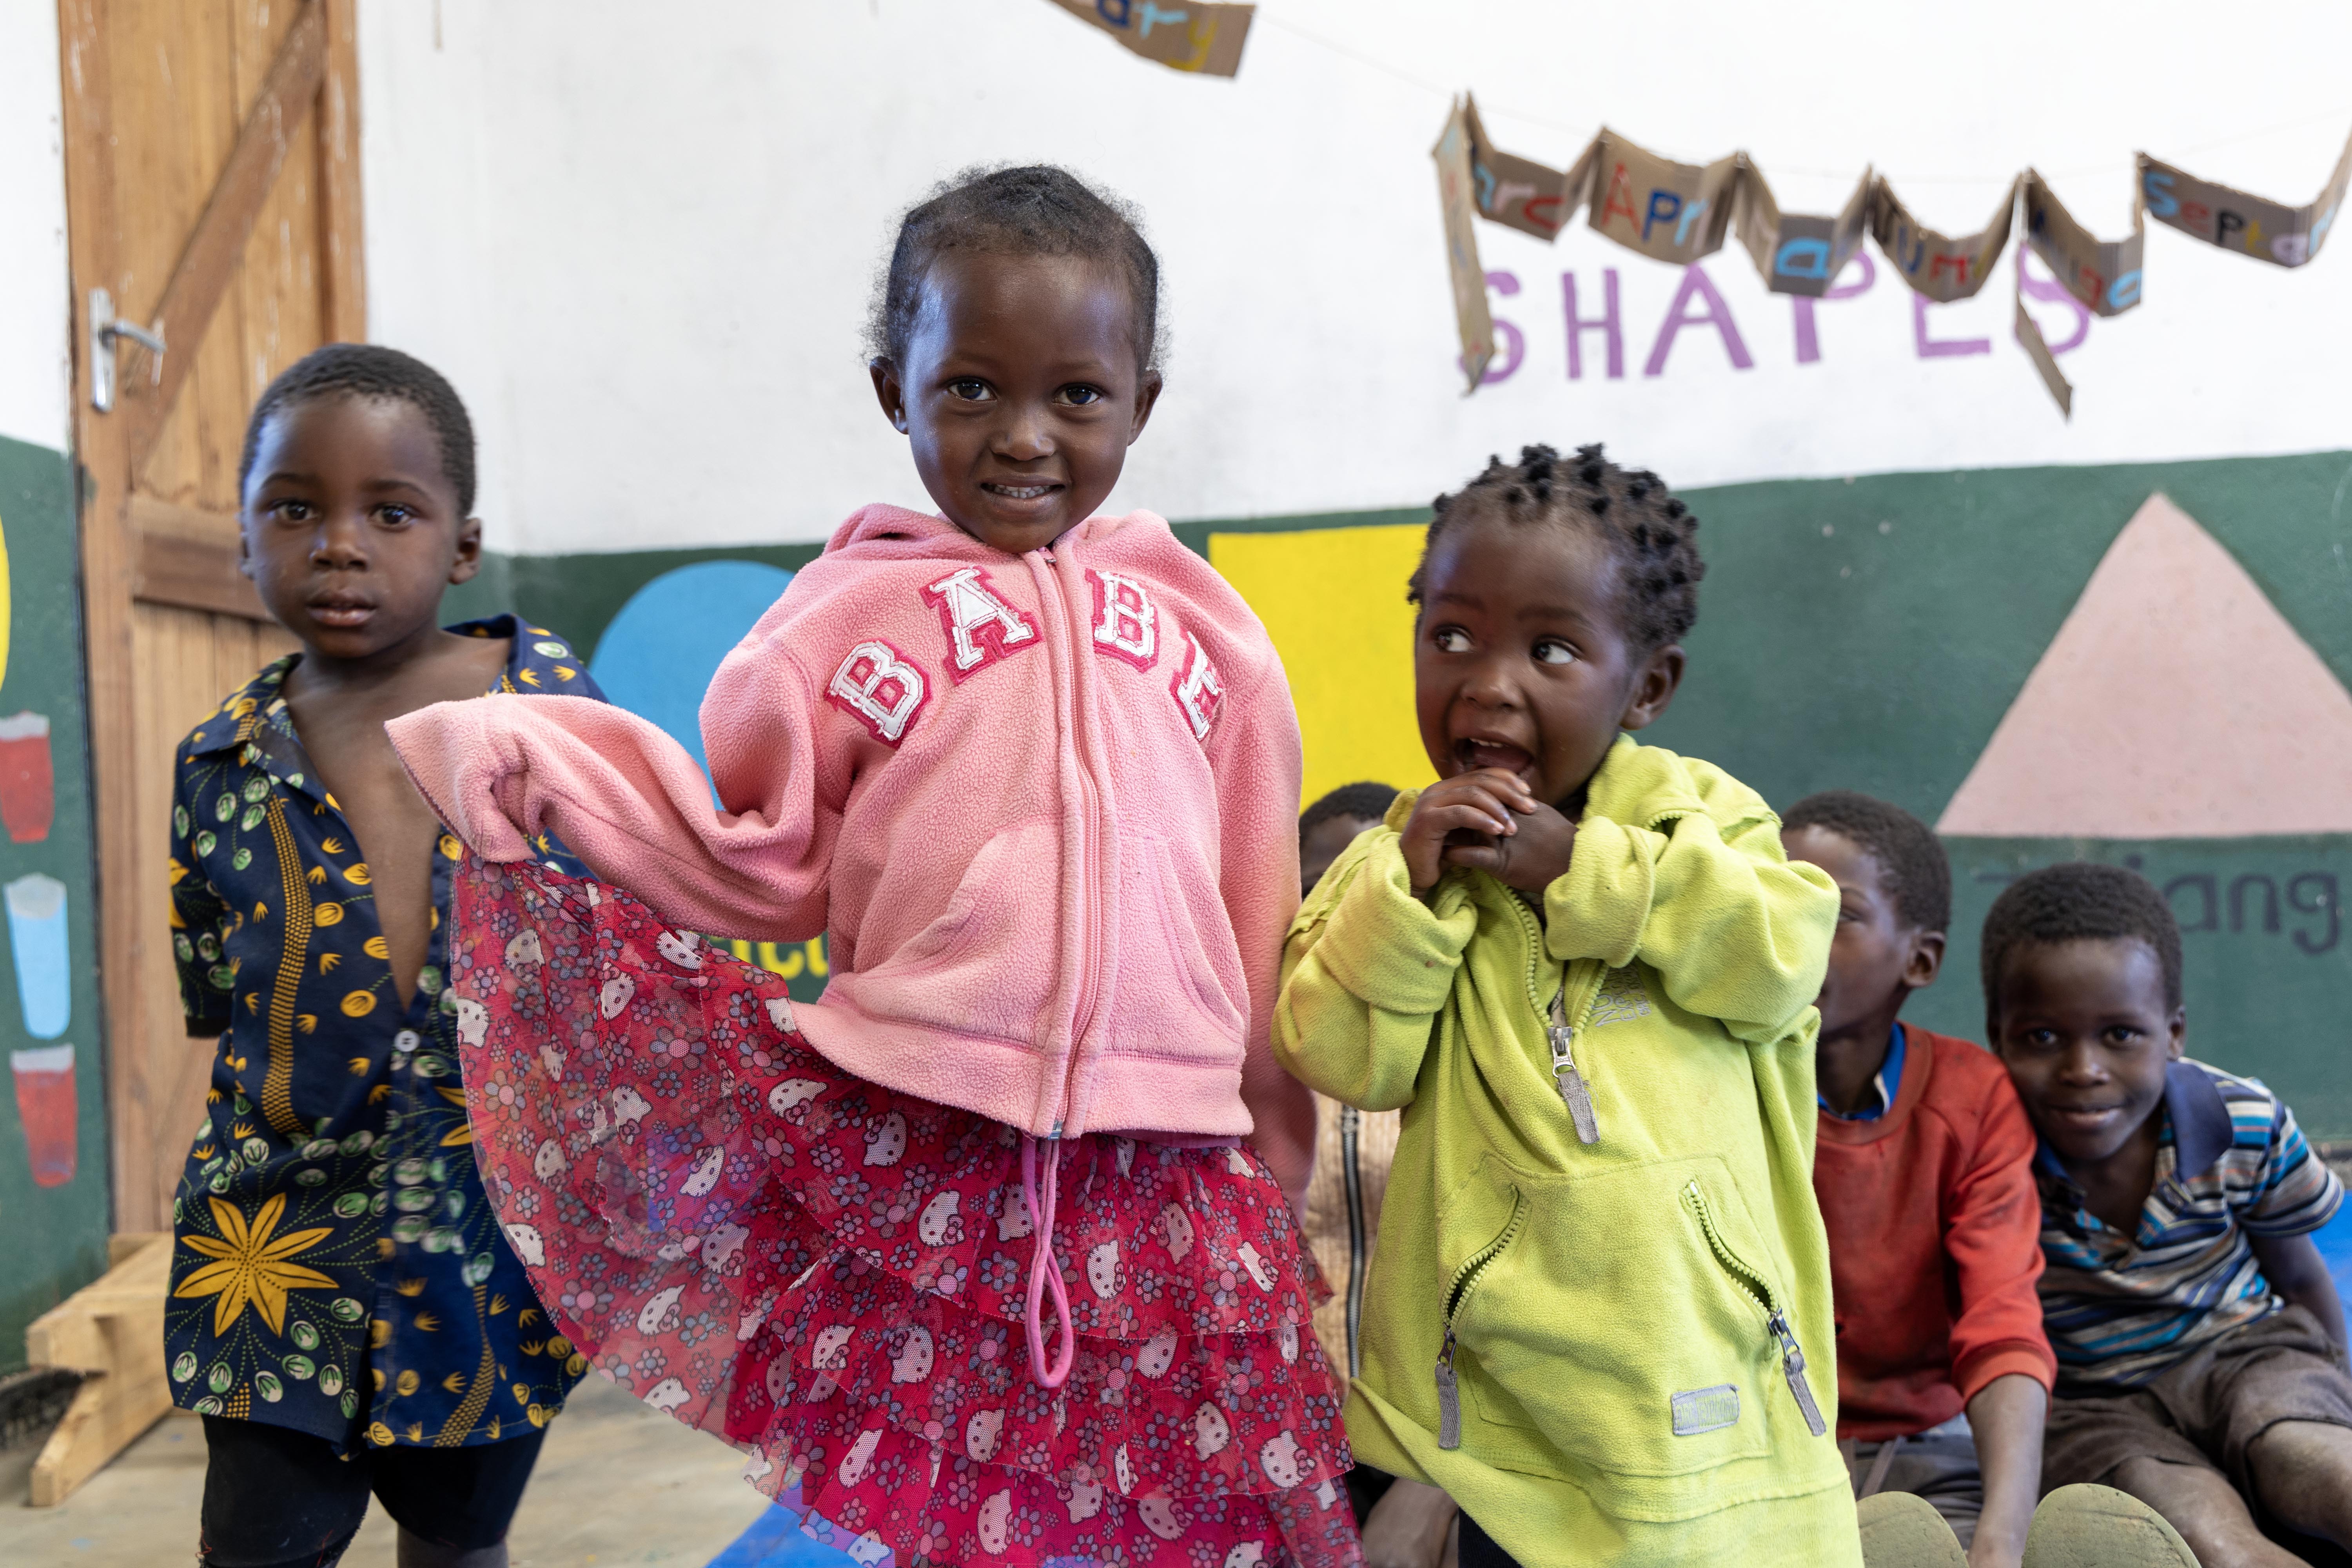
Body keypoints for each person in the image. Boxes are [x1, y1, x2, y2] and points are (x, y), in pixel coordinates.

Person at [385, 166, 1355, 1565]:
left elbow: (1248, 905)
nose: (1023, 437)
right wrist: (543, 757)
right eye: (969, 389)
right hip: (926, 1152)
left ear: (1141, 400)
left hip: (1167, 1177)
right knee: (943, 1521)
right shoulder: (839, 623)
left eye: (1076, 396)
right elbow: (757, 863)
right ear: (894, 389)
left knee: (1177, 1525)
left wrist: (1277, 1152)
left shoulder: (1207, 634)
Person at [1273, 444, 1857, 1566]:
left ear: (1647, 686)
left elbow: (1785, 959)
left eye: (1550, 649)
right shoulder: (1392, 864)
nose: (1488, 683)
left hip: (1716, 1387)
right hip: (1504, 1414)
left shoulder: (1706, 823)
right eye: (1452, 636)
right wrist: (1414, 894)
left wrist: (1582, 871)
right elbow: (1342, 1055)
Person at [168, 345, 605, 1568]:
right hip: (271, 1235)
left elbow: (628, 939)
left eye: (391, 512)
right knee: (257, 1543)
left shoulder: (549, 711)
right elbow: (218, 991)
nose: (340, 542)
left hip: (488, 1231)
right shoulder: (217, 763)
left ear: (462, 547)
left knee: (458, 1542)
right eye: (294, 508)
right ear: (245, 542)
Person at [1984, 863, 2352, 1565]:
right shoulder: (1984, 1157)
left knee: (2316, 1459)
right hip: (2094, 1404)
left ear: (2174, 1032)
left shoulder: (2244, 1121)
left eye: (2121, 1034)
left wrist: (2337, 1390)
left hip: (2248, 1354)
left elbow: (2301, 1277)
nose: (2083, 1068)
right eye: (2041, 1038)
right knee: (2213, 1542)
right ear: (1997, 1035)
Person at [1780, 792, 2053, 1567]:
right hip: (1769, 1448)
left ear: (1920, 958)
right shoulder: (1722, 1082)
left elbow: (2004, 1323)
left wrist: (2002, 1540)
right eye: (1770, 895)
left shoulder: (1972, 1098)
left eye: (1834, 912)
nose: (1788, 929)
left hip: (1938, 1451)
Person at [1300, 784, 1461, 1568]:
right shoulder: (1239, 1067)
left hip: (1446, 1448)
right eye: (1319, 890)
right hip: (1282, 1435)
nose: (1346, 920)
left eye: (1377, 893)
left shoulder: (1484, 1057)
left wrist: (1436, 1485)